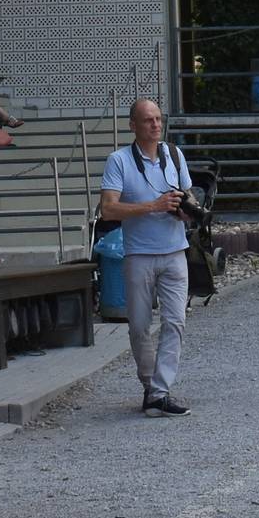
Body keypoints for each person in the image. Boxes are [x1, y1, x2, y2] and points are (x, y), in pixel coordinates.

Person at [97, 99, 193, 417]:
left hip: (175, 251)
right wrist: (153, 206)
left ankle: (160, 391)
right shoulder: (119, 161)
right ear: (133, 126)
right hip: (139, 255)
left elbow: (189, 199)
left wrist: (187, 212)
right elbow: (108, 209)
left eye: (158, 118)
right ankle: (150, 386)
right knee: (139, 327)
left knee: (175, 322)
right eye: (148, 120)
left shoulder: (175, 155)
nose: (155, 124)